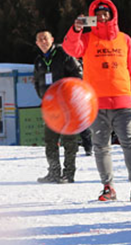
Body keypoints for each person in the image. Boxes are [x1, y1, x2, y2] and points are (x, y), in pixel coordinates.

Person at [63, 0, 131, 202]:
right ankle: (108, 187)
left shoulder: (125, 40)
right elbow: (70, 49)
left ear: (113, 16)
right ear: (92, 17)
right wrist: (75, 29)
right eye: (98, 13)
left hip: (123, 103)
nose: (102, 16)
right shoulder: (85, 38)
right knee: (101, 146)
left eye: (106, 13)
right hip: (96, 103)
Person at [34, 29, 92, 184]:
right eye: (40, 39)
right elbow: (37, 82)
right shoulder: (39, 60)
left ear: (52, 39)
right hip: (50, 107)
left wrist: (69, 93)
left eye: (45, 38)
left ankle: (68, 173)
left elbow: (79, 74)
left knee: (69, 141)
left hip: (68, 106)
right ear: (37, 43)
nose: (43, 41)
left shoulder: (64, 53)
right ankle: (53, 172)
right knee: (50, 140)